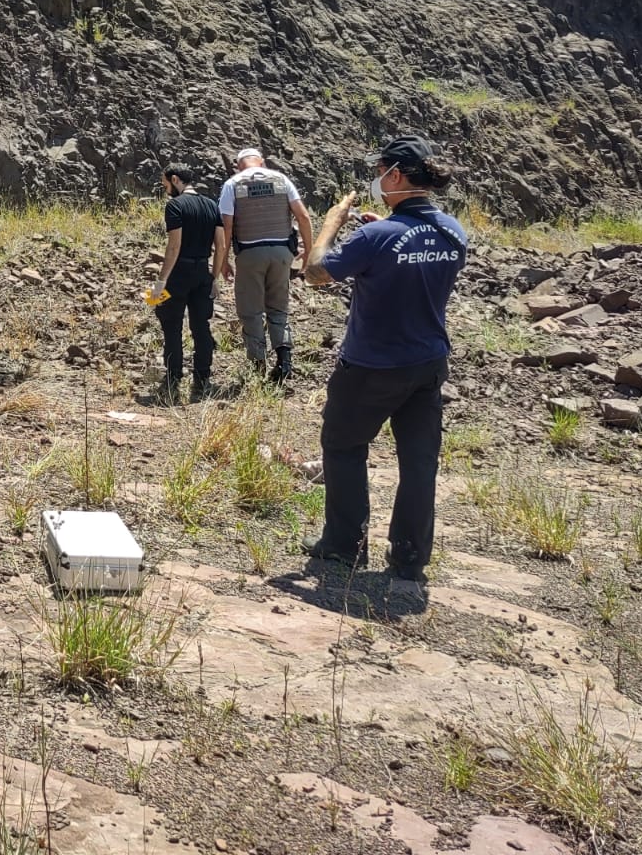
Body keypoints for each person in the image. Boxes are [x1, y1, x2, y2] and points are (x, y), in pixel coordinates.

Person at [300, 135, 466, 597]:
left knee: (344, 446)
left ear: (395, 174)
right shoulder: (453, 231)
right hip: (428, 362)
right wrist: (378, 237)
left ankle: (343, 545)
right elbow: (410, 260)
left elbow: (316, 272)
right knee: (418, 462)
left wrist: (332, 225)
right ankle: (409, 558)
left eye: (380, 170)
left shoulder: (375, 236)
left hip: (371, 364)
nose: (377, 178)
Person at [219, 148, 313, 383]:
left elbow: (227, 227)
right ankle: (284, 361)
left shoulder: (232, 184)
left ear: (239, 165)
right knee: (278, 306)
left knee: (250, 309)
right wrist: (309, 251)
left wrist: (222, 260)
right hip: (282, 252)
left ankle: (258, 364)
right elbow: (303, 217)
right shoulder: (281, 179)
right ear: (262, 162)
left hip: (250, 253)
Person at [149, 164, 225, 402]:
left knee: (171, 325)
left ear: (175, 180)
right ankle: (202, 377)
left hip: (179, 272)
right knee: (201, 325)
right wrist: (215, 277)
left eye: (166, 185)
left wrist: (161, 281)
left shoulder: (175, 206)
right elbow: (221, 245)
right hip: (203, 270)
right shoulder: (212, 205)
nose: (166, 190)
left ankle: (173, 377)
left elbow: (174, 246)